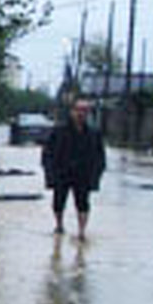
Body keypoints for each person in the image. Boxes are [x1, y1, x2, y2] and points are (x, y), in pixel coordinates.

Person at [42, 98, 107, 241]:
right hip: (62, 172)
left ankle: (81, 232)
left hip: (83, 174)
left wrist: (96, 176)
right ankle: (59, 225)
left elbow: (100, 156)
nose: (81, 113)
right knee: (58, 202)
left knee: (83, 204)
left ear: (88, 113)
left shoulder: (93, 133)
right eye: (78, 110)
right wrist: (49, 173)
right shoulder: (59, 131)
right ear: (72, 112)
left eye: (84, 110)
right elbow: (47, 153)